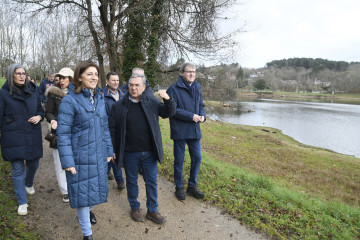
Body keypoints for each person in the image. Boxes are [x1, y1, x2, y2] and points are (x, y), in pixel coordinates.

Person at [108, 70, 175, 224]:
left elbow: (168, 113)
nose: (134, 88)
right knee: (131, 181)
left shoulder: (151, 102)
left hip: (150, 152)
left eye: (137, 85)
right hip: (130, 152)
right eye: (131, 85)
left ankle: (152, 210)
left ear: (144, 87)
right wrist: (112, 148)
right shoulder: (119, 106)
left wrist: (168, 99)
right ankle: (134, 207)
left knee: (151, 181)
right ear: (127, 86)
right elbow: (112, 129)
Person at [57, 61, 113, 240]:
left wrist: (109, 151)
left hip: (98, 153)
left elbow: (104, 127)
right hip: (79, 156)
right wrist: (68, 162)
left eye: (96, 74)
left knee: (94, 192)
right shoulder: (70, 100)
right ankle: (87, 234)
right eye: (89, 74)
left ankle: (87, 213)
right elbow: (63, 133)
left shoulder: (99, 97)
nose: (94, 77)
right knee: (83, 195)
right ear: (79, 76)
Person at [0, 63, 44, 215]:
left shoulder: (33, 90)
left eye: (23, 73)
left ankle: (28, 183)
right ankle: (22, 202)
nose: (21, 76)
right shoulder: (4, 93)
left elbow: (40, 110)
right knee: (17, 169)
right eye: (18, 73)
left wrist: (39, 116)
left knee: (34, 163)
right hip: (13, 136)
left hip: (32, 133)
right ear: (11, 75)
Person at [167, 62, 206, 201]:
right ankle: (179, 187)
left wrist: (203, 116)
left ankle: (192, 186)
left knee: (197, 157)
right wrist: (191, 116)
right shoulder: (173, 89)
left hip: (194, 130)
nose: (192, 74)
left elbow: (201, 104)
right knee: (179, 160)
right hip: (180, 130)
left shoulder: (197, 86)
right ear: (182, 73)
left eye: (194, 72)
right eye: (189, 72)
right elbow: (173, 110)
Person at [44, 67, 74, 203]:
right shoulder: (53, 93)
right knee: (60, 163)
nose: (61, 81)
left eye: (64, 78)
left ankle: (74, 187)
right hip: (58, 133)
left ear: (71, 79)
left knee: (74, 162)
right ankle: (65, 191)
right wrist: (53, 120)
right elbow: (48, 112)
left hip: (74, 133)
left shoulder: (78, 93)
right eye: (60, 78)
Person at [103, 71, 126, 189]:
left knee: (112, 154)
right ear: (107, 81)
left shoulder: (124, 94)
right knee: (113, 153)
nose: (116, 82)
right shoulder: (102, 95)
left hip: (122, 130)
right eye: (113, 80)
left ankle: (107, 170)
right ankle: (120, 180)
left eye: (117, 80)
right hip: (108, 130)